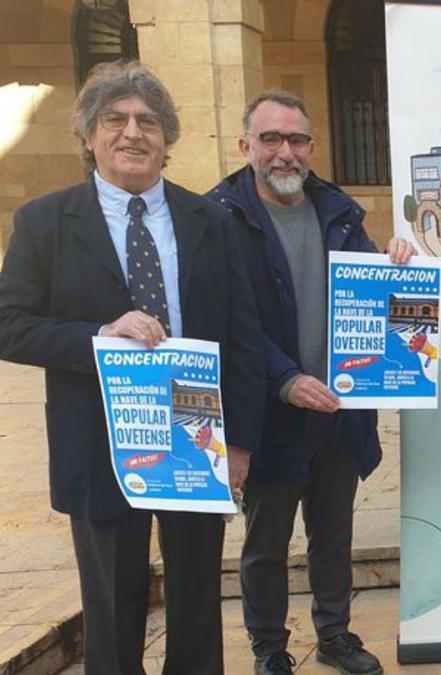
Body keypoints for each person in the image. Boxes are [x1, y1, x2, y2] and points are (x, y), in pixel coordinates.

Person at [0, 61, 264, 674]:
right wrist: (100, 334)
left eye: (148, 121)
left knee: (198, 596)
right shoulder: (43, 222)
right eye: (114, 120)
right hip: (97, 440)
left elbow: (244, 338)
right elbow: (9, 324)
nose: (132, 133)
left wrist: (241, 445)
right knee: (112, 604)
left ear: (167, 139)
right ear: (89, 136)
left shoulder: (211, 220)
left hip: (195, 437)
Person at [207, 90, 415, 675]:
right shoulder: (219, 218)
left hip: (339, 412)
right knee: (266, 543)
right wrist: (285, 379)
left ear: (311, 147)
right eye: (271, 139)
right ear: (246, 145)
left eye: (296, 139)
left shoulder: (339, 212)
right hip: (268, 413)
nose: (285, 152)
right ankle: (270, 649)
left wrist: (392, 263)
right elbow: (229, 321)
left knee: (333, 535)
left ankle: (335, 637)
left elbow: (369, 298)